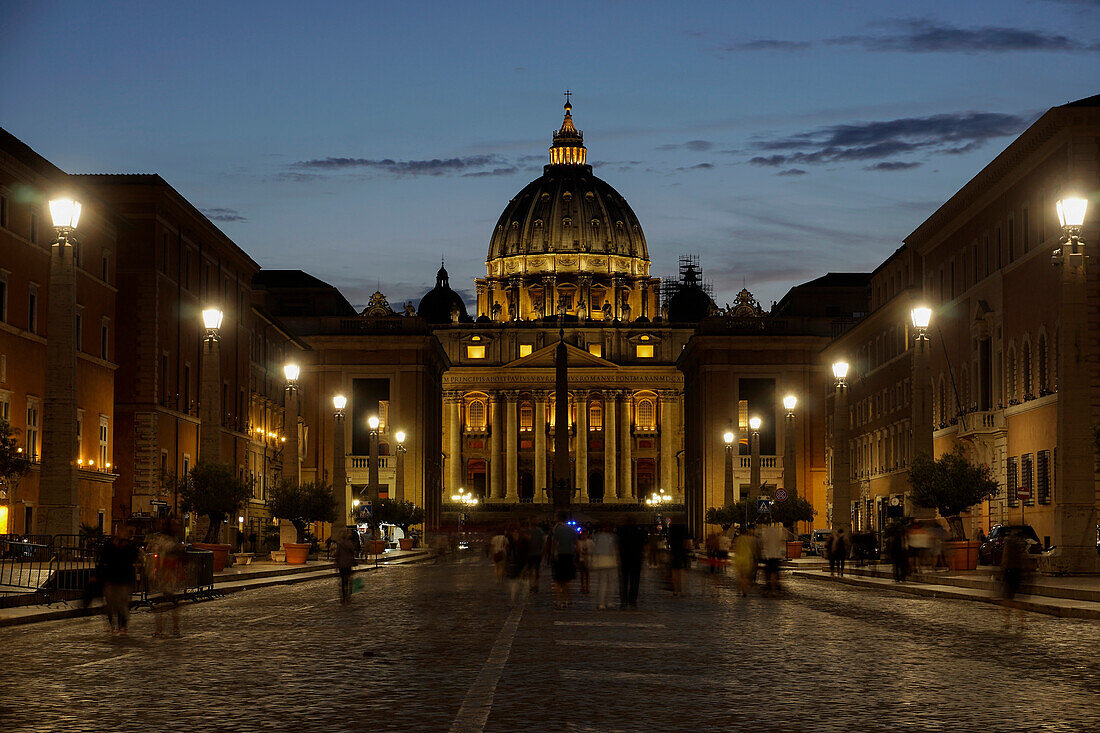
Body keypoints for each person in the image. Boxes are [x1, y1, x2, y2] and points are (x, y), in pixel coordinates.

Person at [146, 518, 186, 636]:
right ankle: (161, 628)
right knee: (161, 603)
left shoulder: (173, 542)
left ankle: (174, 628)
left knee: (173, 603)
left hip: (170, 577)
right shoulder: (163, 540)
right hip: (162, 575)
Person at [99, 525, 140, 635]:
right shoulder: (109, 545)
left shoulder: (130, 546)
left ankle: (122, 626)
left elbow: (134, 557)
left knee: (122, 603)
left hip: (125, 578)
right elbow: (103, 560)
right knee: (111, 604)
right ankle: (112, 625)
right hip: (111, 577)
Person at [999, 532, 1033, 631]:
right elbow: (1025, 558)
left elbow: (1004, 559)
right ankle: (1021, 622)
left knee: (1007, 598)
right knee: (1020, 598)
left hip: (1009, 572)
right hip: (1018, 571)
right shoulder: (1020, 544)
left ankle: (1007, 621)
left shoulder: (1008, 544)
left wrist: (1001, 572)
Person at [616, 517, 647, 608]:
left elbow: (617, 545)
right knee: (635, 581)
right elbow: (645, 545)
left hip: (624, 559)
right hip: (636, 559)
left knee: (624, 581)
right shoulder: (640, 531)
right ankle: (632, 600)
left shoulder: (621, 530)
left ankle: (624, 600)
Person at [551, 513, 578, 609]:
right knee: (567, 580)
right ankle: (566, 600)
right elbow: (576, 543)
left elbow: (554, 543)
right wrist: (576, 555)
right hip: (569, 556)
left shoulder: (557, 529)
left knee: (558, 580)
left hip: (560, 555)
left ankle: (558, 601)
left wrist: (551, 555)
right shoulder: (572, 529)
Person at [590, 524, 618, 610]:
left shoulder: (596, 537)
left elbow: (593, 550)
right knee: (611, 584)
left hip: (600, 561)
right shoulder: (612, 537)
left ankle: (601, 603)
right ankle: (609, 602)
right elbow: (614, 549)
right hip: (611, 561)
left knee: (602, 583)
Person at [329, 528, 358, 604]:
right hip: (348, 563)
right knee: (348, 580)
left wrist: (336, 563)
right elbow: (352, 553)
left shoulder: (339, 543)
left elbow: (337, 554)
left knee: (343, 581)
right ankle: (348, 596)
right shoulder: (349, 543)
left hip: (341, 564)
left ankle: (343, 597)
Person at [505, 525, 530, 605]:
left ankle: (523, 599)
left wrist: (526, 567)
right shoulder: (511, 541)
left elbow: (527, 554)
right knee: (514, 584)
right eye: (514, 533)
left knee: (524, 584)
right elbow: (508, 553)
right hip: (514, 565)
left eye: (516, 532)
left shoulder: (524, 542)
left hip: (522, 563)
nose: (515, 534)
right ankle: (514, 600)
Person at [759, 522, 786, 594]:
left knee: (768, 572)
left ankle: (769, 587)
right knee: (775, 572)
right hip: (776, 555)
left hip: (769, 556)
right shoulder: (779, 532)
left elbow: (763, 543)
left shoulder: (765, 532)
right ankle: (774, 589)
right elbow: (782, 543)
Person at [667, 523, 692, 597]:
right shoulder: (684, 528)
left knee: (675, 571)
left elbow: (670, 541)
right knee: (682, 571)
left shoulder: (672, 528)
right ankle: (683, 590)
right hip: (682, 552)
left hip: (675, 551)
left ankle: (676, 590)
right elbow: (687, 541)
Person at [733, 526, 757, 597]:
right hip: (746, 558)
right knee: (744, 576)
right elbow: (753, 549)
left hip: (738, 558)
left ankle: (738, 590)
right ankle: (744, 591)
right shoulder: (749, 539)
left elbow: (735, 549)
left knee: (739, 575)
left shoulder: (738, 539)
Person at [527, 521, 545, 592]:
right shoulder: (540, 532)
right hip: (536, 553)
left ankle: (531, 584)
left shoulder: (529, 531)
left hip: (532, 553)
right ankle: (535, 584)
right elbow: (542, 543)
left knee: (531, 570)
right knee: (536, 570)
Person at [576, 528, 593, 595]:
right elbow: (577, 550)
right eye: (582, 535)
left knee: (587, 574)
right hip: (581, 559)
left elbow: (593, 549)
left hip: (588, 559)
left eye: (585, 535)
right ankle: (582, 586)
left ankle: (587, 586)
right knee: (582, 574)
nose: (583, 536)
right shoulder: (579, 542)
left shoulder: (590, 542)